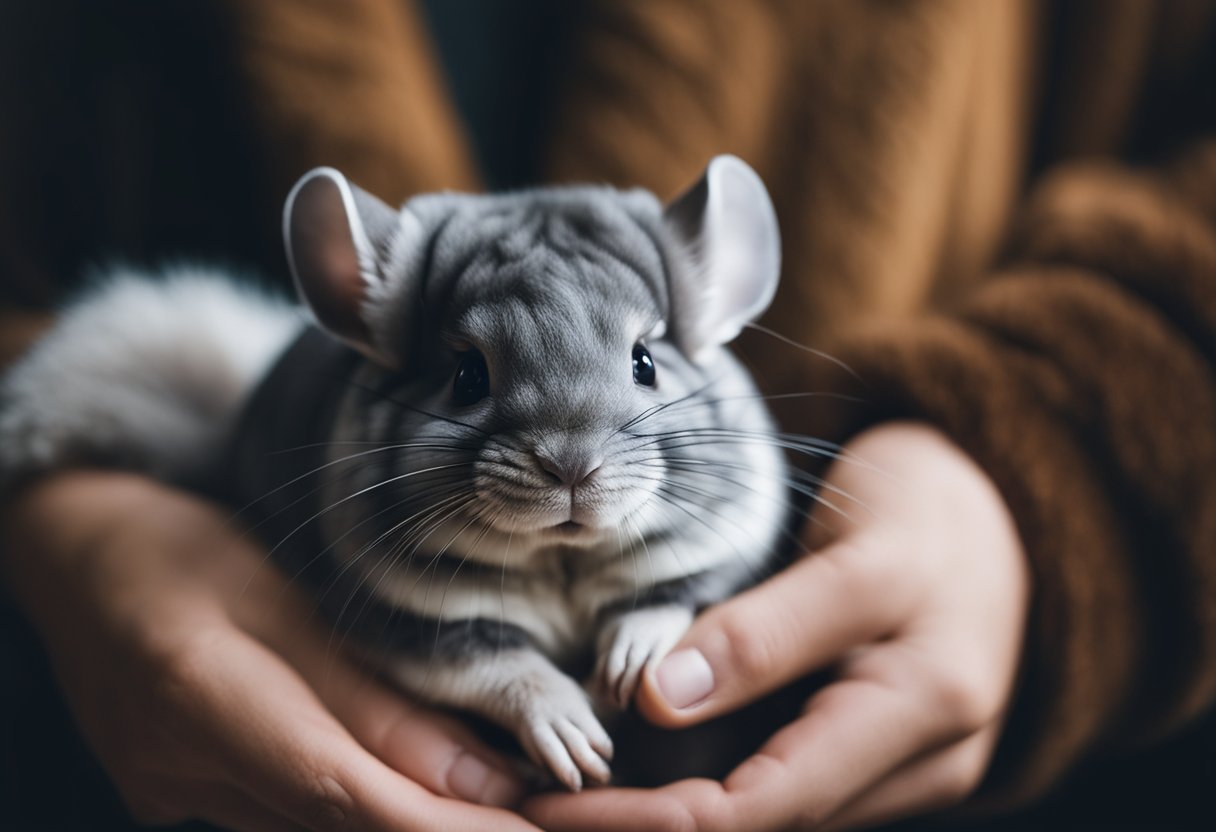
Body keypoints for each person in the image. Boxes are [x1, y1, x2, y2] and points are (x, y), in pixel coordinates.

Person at [1, 1, 1213, 829]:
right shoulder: (360, 476)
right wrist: (68, 525)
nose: (578, 465)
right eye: (473, 380)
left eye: (640, 370)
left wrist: (1046, 468)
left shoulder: (728, 460)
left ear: (715, 303)